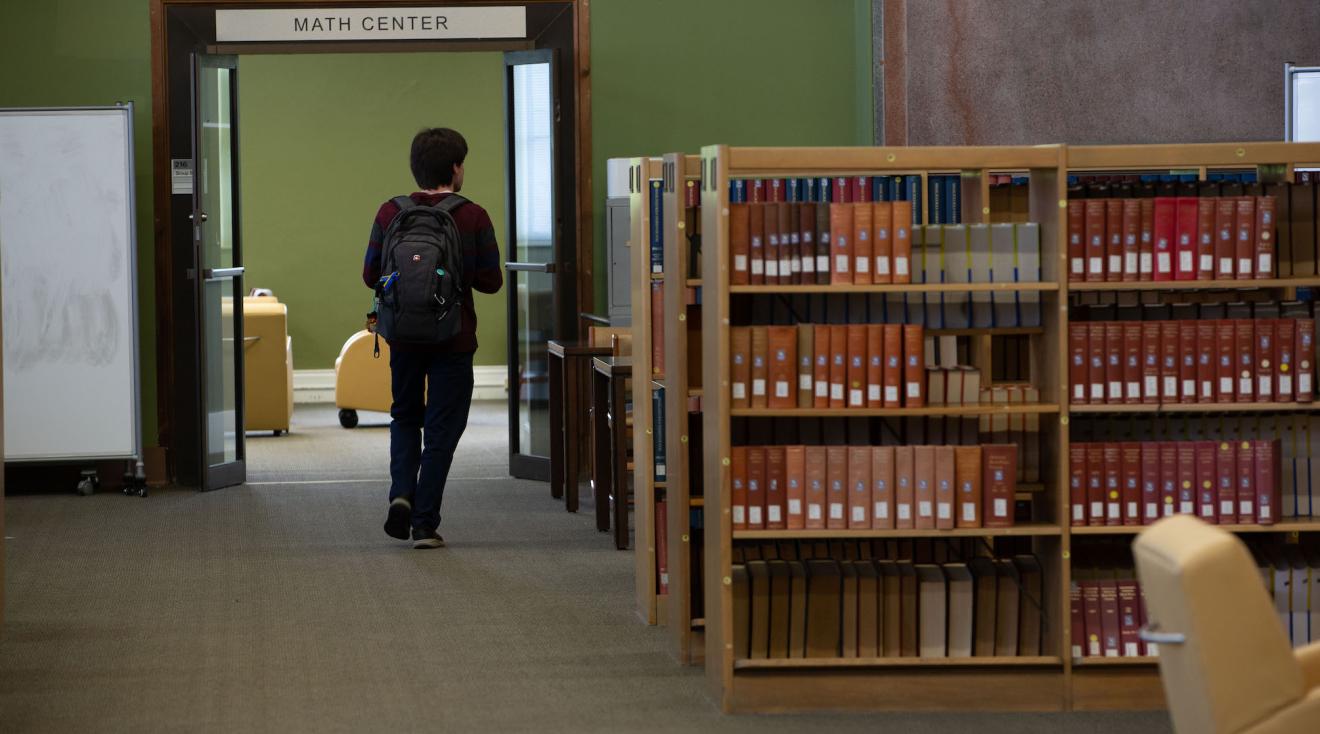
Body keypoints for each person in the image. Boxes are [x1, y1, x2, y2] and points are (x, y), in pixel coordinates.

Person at [362, 127, 503, 549]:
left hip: (403, 336)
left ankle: (401, 494)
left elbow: (371, 274)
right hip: (453, 338)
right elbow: (491, 281)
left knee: (405, 416)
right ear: (456, 169)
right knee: (442, 428)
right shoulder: (472, 215)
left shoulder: (391, 213)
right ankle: (424, 522)